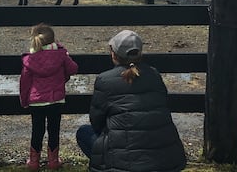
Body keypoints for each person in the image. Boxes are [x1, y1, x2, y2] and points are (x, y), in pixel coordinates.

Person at [76, 30, 186, 172]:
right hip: (166, 161)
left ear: (113, 54)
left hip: (124, 160)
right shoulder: (154, 74)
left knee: (84, 132)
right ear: (140, 53)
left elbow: (97, 122)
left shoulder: (105, 80)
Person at [19, 23, 79, 170]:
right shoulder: (60, 55)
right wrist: (65, 54)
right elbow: (73, 69)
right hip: (56, 99)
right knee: (54, 129)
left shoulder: (30, 59)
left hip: (36, 101)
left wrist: (24, 99)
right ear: (53, 40)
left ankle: (34, 161)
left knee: (37, 130)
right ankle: (53, 160)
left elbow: (24, 82)